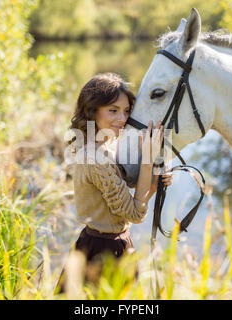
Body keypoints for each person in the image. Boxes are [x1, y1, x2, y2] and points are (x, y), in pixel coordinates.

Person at [56, 73, 172, 294]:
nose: (122, 118)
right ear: (92, 110)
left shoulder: (108, 144)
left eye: (126, 111)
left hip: (112, 243)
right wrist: (147, 162)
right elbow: (134, 214)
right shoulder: (95, 158)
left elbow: (124, 208)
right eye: (113, 110)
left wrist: (154, 185)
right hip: (103, 252)